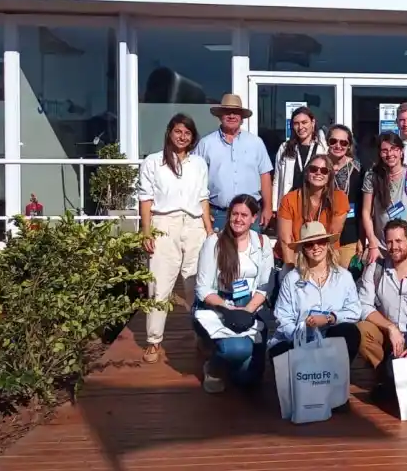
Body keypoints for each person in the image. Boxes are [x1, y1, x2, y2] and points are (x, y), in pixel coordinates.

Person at [137, 113, 212, 364]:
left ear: (193, 137)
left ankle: (201, 336)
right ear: (169, 132)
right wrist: (146, 231)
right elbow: (145, 198)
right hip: (164, 224)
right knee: (159, 285)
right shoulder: (153, 161)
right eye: (178, 131)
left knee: (196, 284)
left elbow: (203, 198)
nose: (182, 137)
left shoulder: (199, 163)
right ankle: (153, 340)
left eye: (187, 133)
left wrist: (209, 231)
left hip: (194, 225)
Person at [193, 195, 273, 393]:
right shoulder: (214, 242)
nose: (238, 219)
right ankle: (213, 367)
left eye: (244, 215)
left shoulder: (262, 242)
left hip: (251, 304)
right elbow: (203, 288)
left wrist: (247, 310)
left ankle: (231, 360)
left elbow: (265, 285)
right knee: (238, 350)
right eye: (234, 214)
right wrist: (227, 309)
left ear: (253, 218)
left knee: (248, 379)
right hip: (219, 304)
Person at [355, 219, 407, 397]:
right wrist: (390, 328)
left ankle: (395, 377)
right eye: (389, 242)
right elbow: (363, 305)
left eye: (399, 241)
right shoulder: (376, 269)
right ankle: (383, 372)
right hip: (388, 338)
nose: (394, 247)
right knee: (362, 330)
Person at [269, 221, 363, 368]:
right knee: (279, 351)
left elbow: (355, 311)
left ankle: (335, 376)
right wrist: (302, 332)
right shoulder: (291, 279)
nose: (315, 247)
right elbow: (282, 317)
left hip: (331, 338)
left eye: (320, 241)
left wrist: (330, 318)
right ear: (303, 249)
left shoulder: (344, 276)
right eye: (309, 244)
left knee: (350, 332)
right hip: (298, 340)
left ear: (327, 244)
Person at [195, 94, 274, 232]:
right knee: (217, 247)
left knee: (250, 247)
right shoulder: (206, 144)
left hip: (250, 213)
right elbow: (196, 179)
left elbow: (265, 176)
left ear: (242, 118)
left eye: (236, 112)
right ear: (220, 116)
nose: (231, 116)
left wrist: (268, 208)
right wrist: (203, 212)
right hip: (218, 214)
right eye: (227, 112)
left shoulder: (256, 143)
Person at [361, 132, 407, 264]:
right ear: (379, 154)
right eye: (384, 150)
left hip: (406, 247)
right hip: (380, 247)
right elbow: (366, 212)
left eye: (394, 149)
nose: (389, 154)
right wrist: (372, 244)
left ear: (401, 152)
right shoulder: (372, 176)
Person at [277, 154, 350, 268]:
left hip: (325, 256)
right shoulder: (289, 199)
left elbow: (332, 237)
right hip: (296, 256)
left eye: (324, 171)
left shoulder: (340, 198)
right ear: (306, 173)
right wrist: (292, 269)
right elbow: (286, 240)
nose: (318, 173)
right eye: (313, 169)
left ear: (330, 176)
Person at [272, 106, 329, 210]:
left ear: (312, 123)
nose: (300, 127)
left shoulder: (323, 148)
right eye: (296, 123)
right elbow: (277, 179)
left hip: (313, 205)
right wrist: (274, 208)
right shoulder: (285, 148)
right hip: (290, 205)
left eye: (304, 122)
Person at [326, 124, 364, 271]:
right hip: (322, 235)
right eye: (333, 141)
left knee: (346, 278)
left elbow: (363, 207)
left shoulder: (358, 169)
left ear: (349, 146)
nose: (338, 146)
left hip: (350, 235)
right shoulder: (318, 167)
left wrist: (362, 239)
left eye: (343, 143)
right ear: (327, 142)